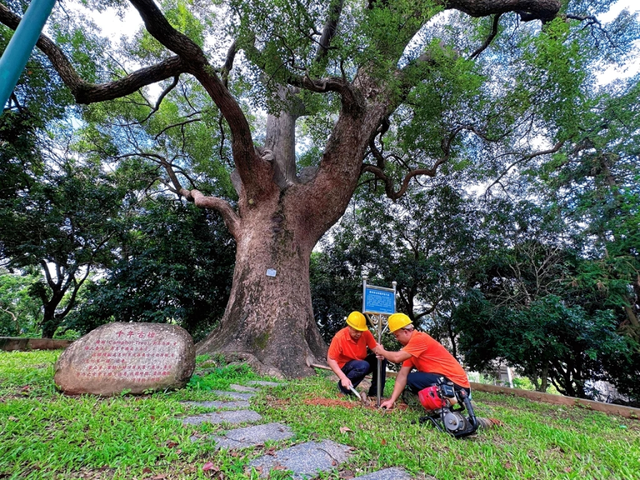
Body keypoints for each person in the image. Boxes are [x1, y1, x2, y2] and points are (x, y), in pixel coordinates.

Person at [372, 312, 470, 409]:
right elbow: (402, 375)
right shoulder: (411, 350)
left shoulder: (419, 339)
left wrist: (382, 351)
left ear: (405, 332)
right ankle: (435, 404)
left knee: (413, 378)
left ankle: (442, 404)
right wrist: (391, 400)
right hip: (448, 382)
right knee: (411, 379)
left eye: (397, 335)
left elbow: (397, 358)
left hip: (458, 386)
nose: (397, 339)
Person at [327, 311, 387, 397]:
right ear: (349, 327)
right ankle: (344, 388)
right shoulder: (339, 337)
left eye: (361, 331)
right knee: (363, 365)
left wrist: (381, 352)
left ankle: (375, 394)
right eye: (356, 331)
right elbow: (331, 359)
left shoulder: (365, 333)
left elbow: (375, 349)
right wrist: (343, 377)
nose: (359, 333)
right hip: (345, 366)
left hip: (361, 362)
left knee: (381, 359)